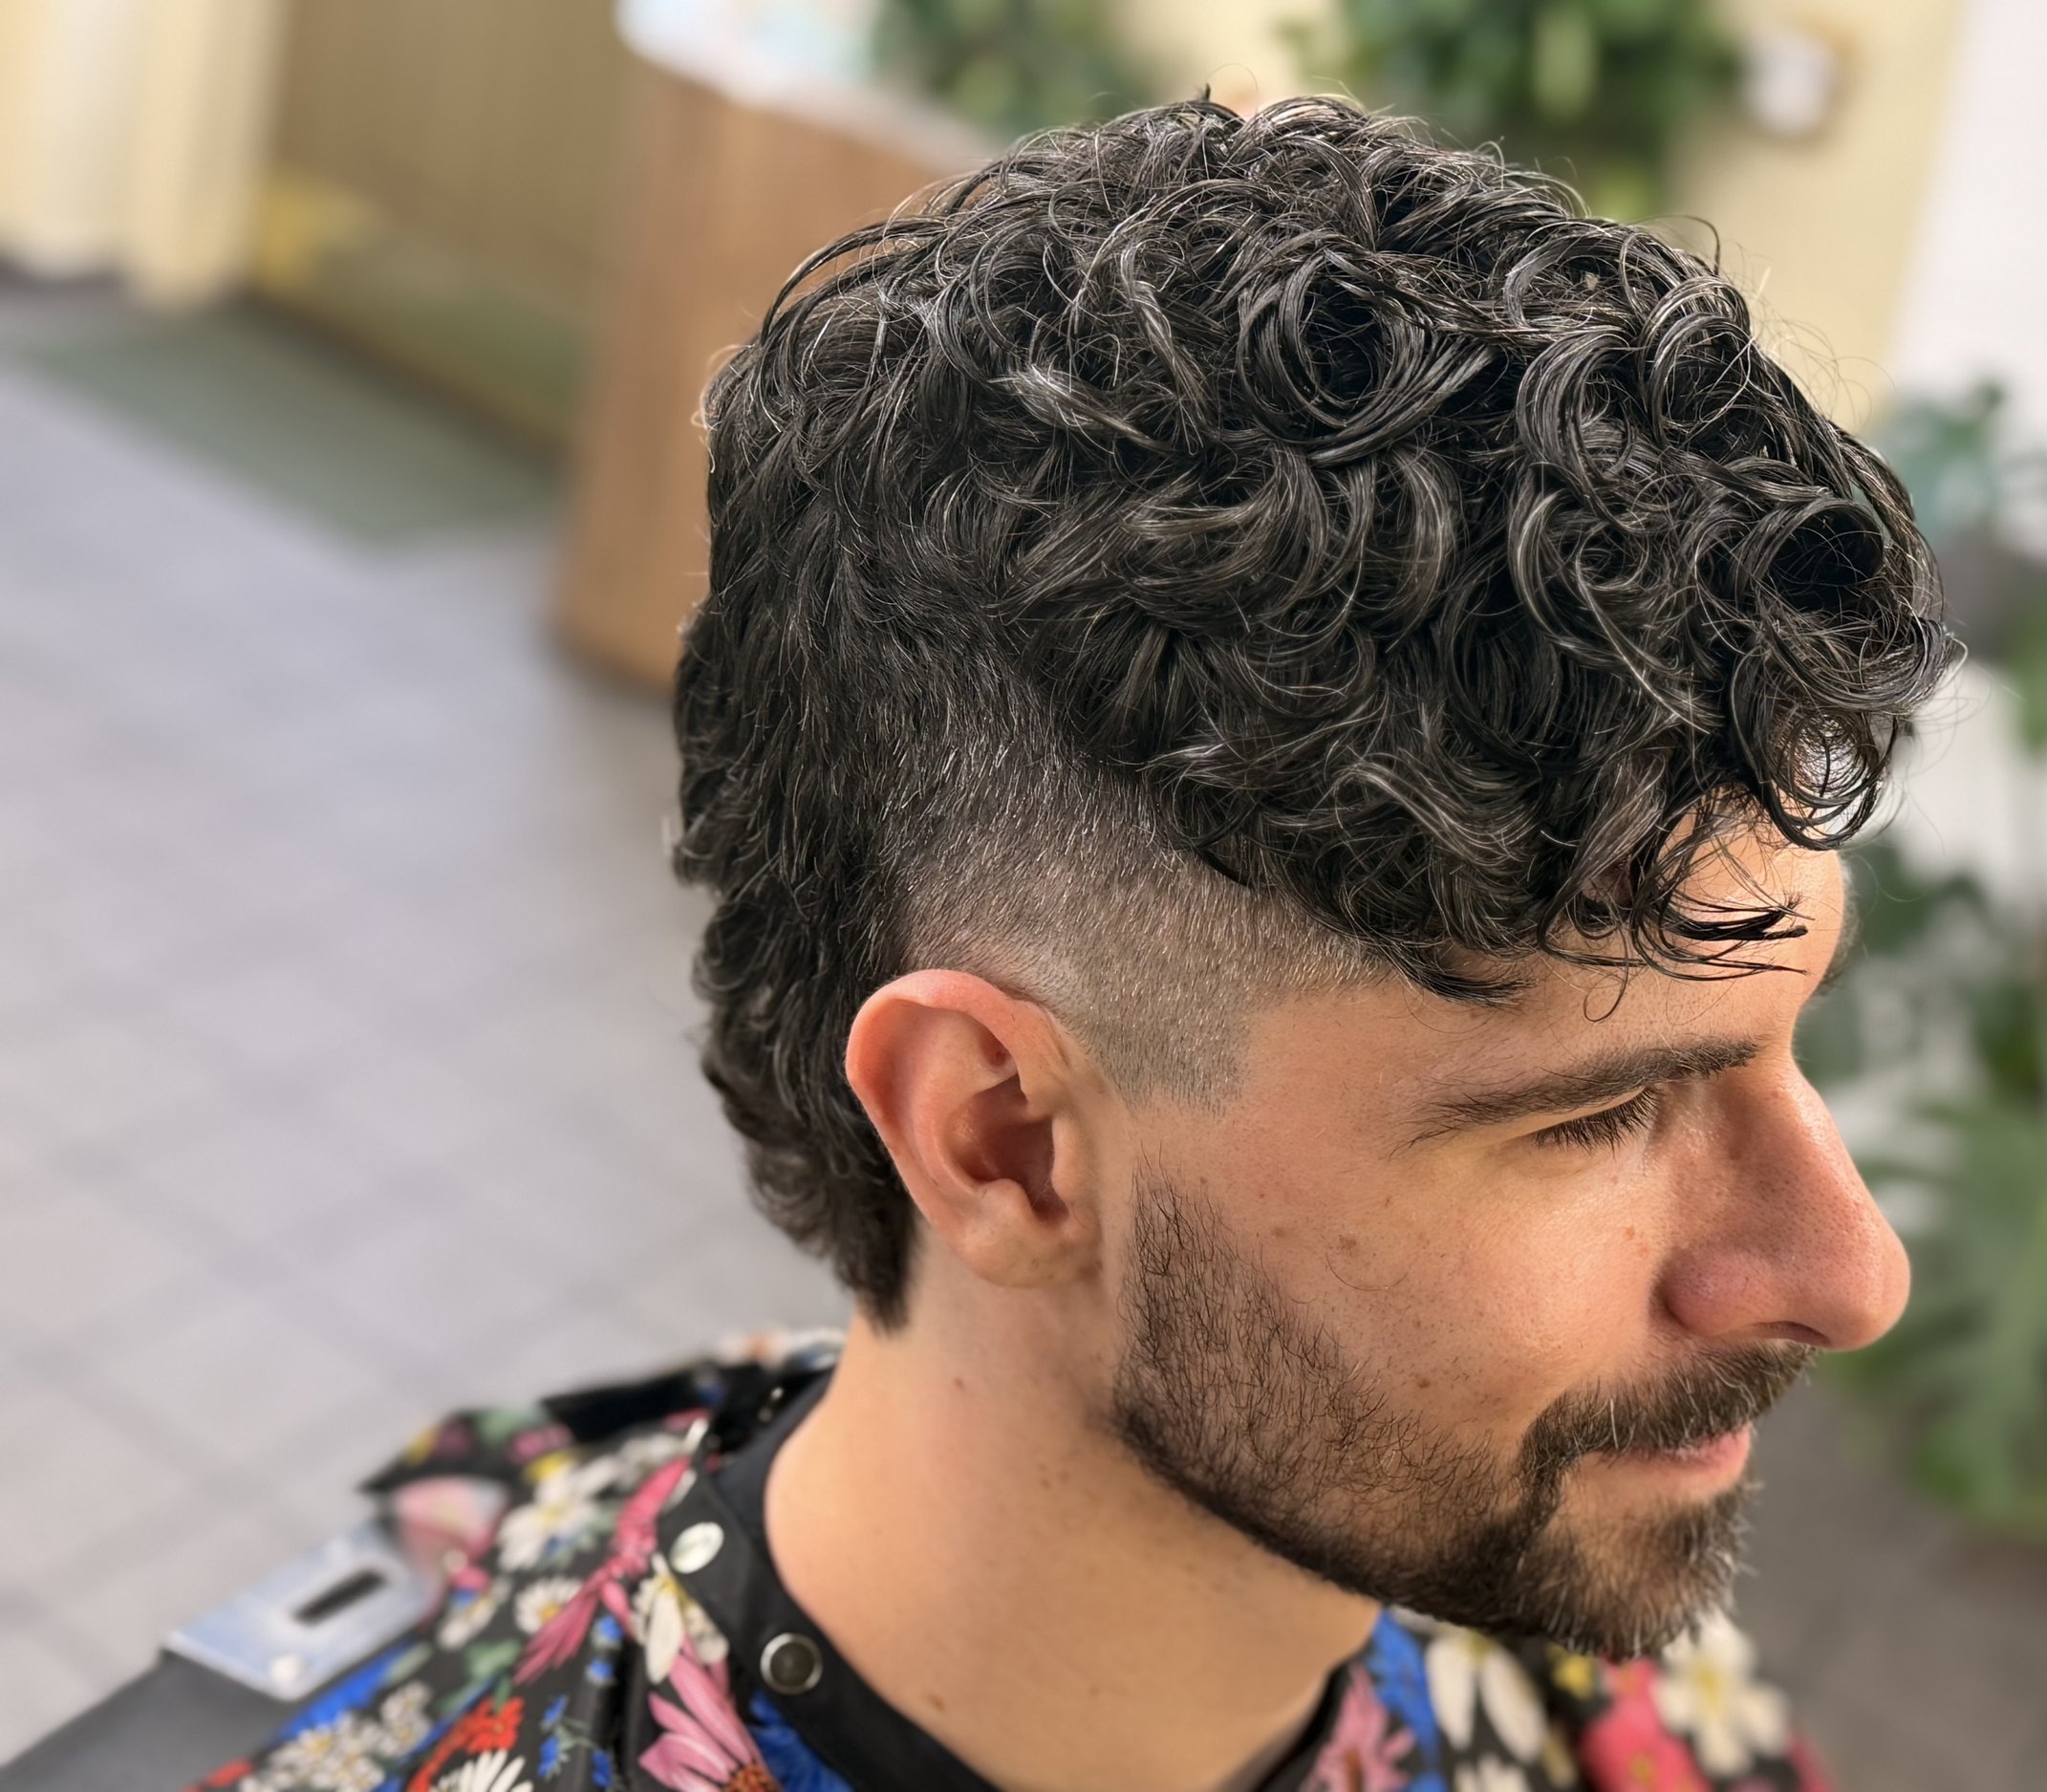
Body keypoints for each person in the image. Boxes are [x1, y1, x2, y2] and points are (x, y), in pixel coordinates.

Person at [197, 96, 1946, 1792]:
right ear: (1006, 1142)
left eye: (1788, 1032)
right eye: (1593, 1116)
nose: (1854, 1271)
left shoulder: (1557, 1615)